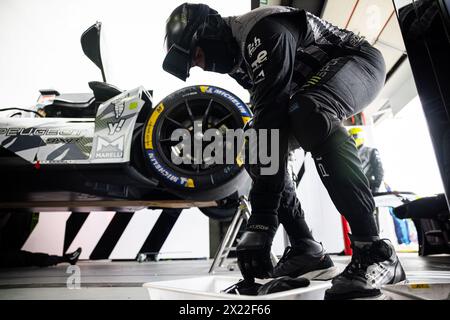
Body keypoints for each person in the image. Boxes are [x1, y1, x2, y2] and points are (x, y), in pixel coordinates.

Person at [162, 3, 406, 299]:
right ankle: (307, 249)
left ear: (209, 31)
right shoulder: (241, 60)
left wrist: (262, 219)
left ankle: (375, 251)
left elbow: (273, 117)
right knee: (254, 143)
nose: (201, 67)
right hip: (310, 90)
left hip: (358, 62)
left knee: (307, 111)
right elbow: (266, 132)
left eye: (198, 56)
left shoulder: (264, 31)